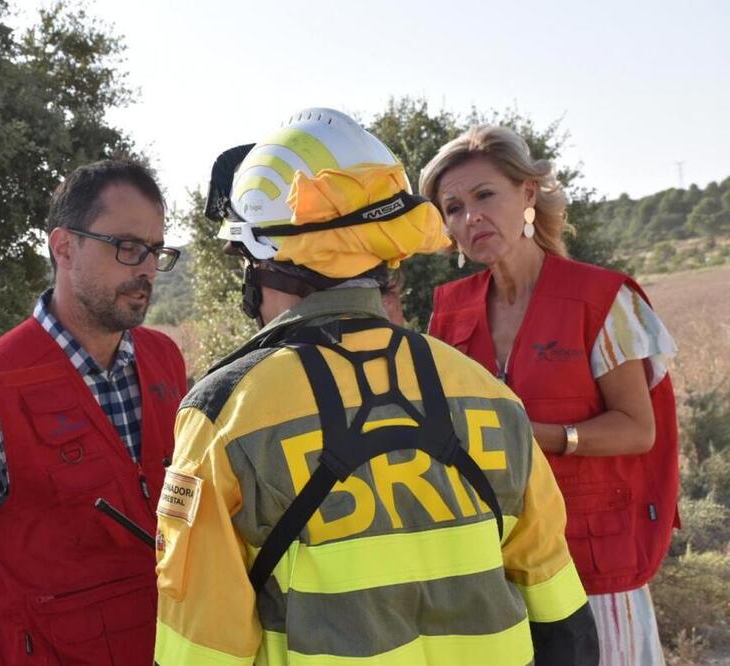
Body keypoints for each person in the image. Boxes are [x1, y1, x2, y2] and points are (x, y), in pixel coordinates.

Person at [153, 108, 598, 665]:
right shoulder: (487, 394)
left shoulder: (225, 416)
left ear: (263, 261)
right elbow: (563, 619)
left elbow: (200, 649)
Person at [0, 160, 187, 666]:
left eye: (155, 250)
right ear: (64, 246)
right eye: (126, 247)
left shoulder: (164, 360)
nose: (145, 268)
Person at [422, 126, 679, 666]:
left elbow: (638, 428)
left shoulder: (598, 298)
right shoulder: (449, 310)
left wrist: (544, 439)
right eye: (453, 207)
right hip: (495, 563)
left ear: (528, 195)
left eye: (485, 195)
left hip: (593, 556)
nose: (471, 218)